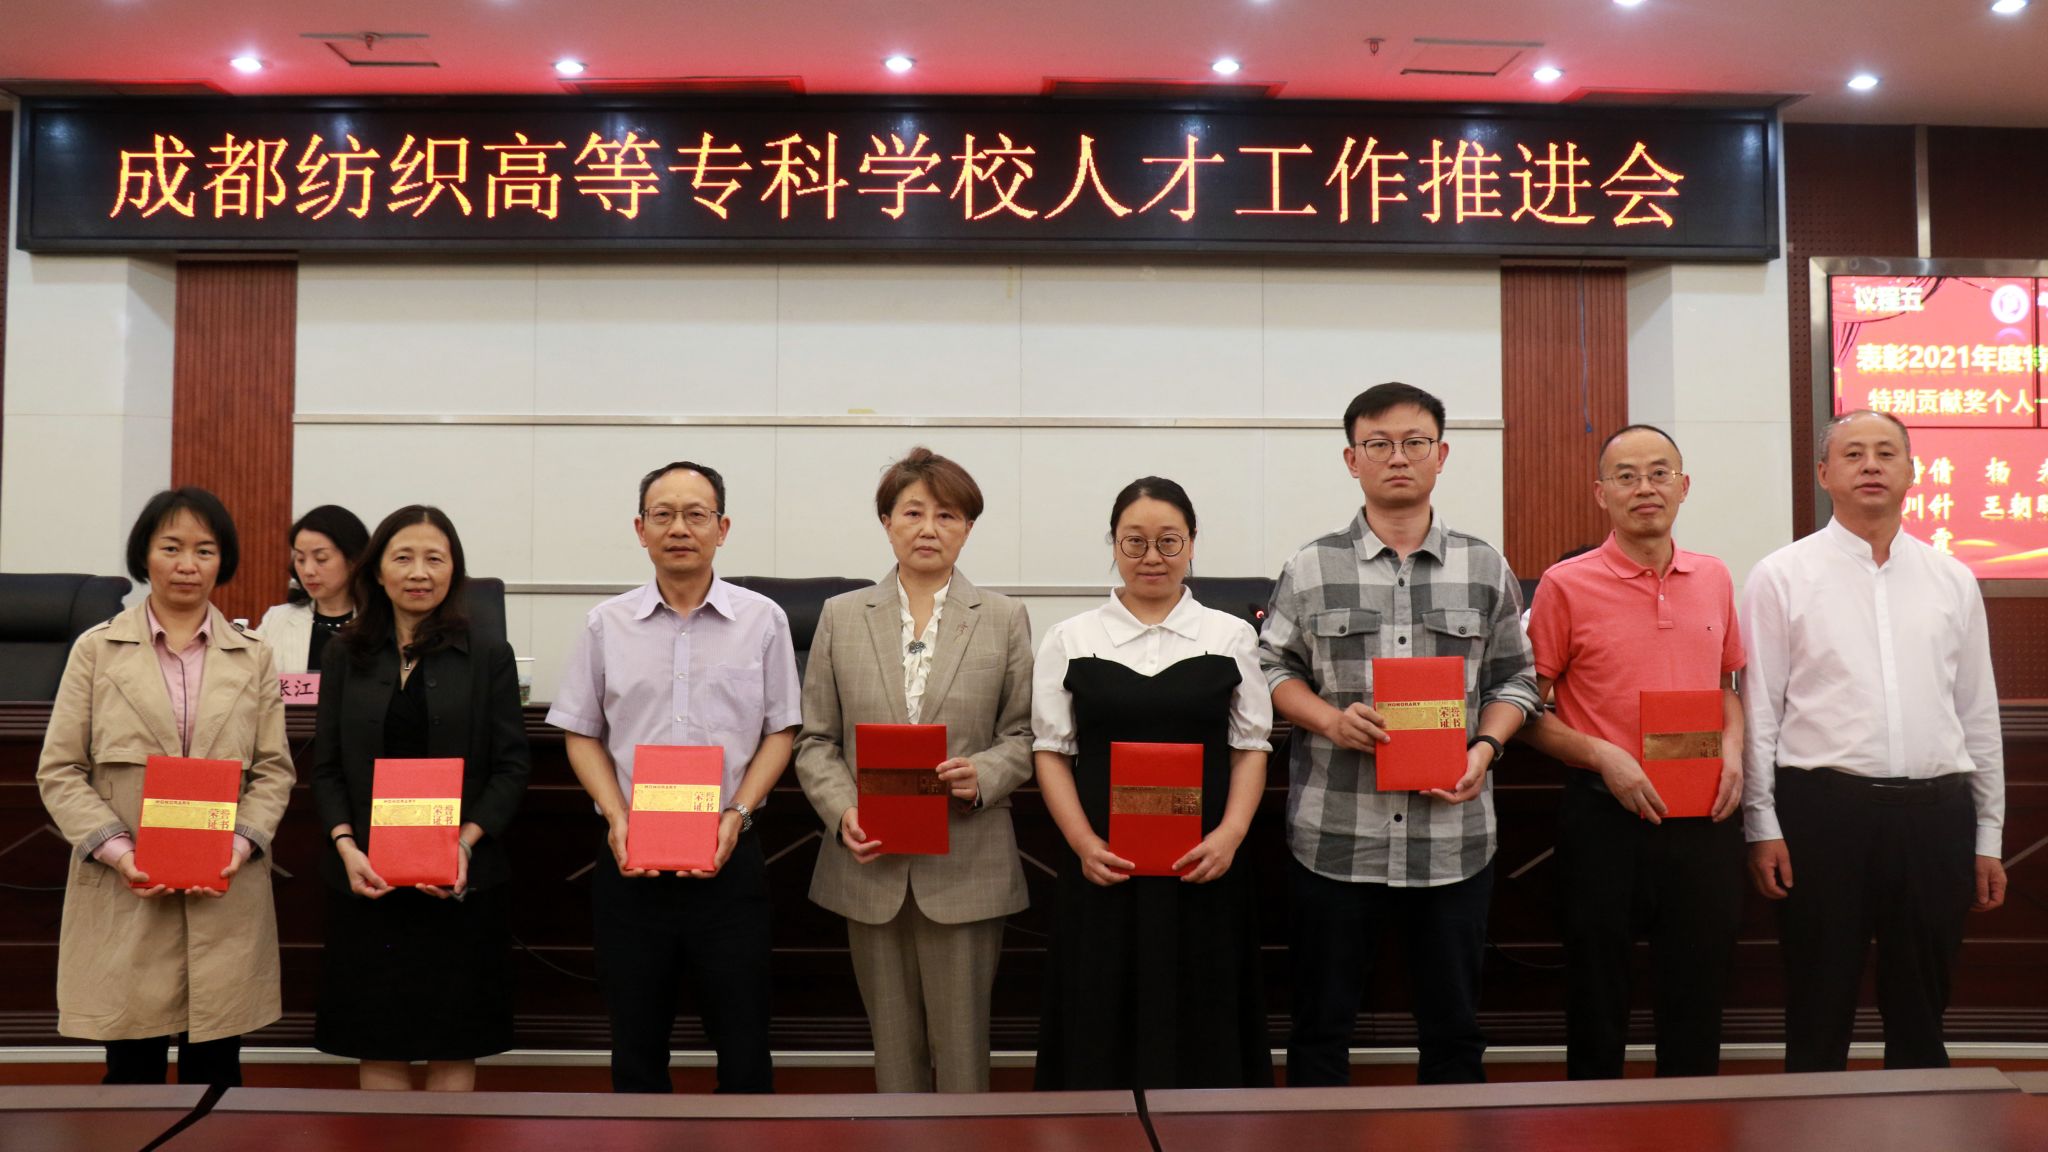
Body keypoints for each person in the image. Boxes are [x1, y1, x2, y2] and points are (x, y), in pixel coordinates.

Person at [1259, 382, 1538, 1087]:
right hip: (1336, 836)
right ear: (1351, 459)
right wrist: (1329, 719)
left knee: (1454, 1035)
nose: (1398, 457)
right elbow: (1269, 670)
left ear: (1441, 455)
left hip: (1451, 841)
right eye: (1378, 444)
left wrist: (1484, 749)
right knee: (1320, 1031)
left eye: (1415, 442)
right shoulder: (1311, 566)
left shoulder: (1484, 566)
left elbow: (1517, 680)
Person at [1742, 409, 2006, 1072]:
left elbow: (1977, 713)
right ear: (1824, 473)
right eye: (1853, 453)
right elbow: (1760, 710)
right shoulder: (1781, 575)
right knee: (1818, 1001)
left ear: (1912, 472)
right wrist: (1761, 824)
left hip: (1936, 817)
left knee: (1922, 1009)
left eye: (1886, 453)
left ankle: (1920, 1123)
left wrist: (1988, 835)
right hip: (1823, 815)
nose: (1871, 466)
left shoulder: (1952, 578)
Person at [547, 461, 801, 1094]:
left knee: (744, 1045)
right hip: (630, 860)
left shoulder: (763, 620)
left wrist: (737, 814)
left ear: (723, 528)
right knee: (636, 1046)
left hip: (729, 856)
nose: (679, 528)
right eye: (663, 515)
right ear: (640, 529)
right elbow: (580, 731)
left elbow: (781, 730)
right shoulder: (605, 624)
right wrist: (617, 815)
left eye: (696, 515)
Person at [795, 447, 1035, 1094]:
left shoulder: (1004, 617)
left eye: (947, 515)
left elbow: (1022, 735)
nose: (929, 528)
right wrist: (843, 810)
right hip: (869, 862)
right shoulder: (842, 616)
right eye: (913, 512)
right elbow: (816, 740)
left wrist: (983, 773)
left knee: (963, 1052)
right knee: (893, 1051)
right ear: (886, 522)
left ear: (968, 528)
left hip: (966, 862)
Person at [36, 487, 294, 1086]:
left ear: (222, 561)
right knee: (132, 1072)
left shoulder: (253, 656)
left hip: (224, 889)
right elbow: (59, 769)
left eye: (204, 551)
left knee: (216, 1075)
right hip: (128, 888)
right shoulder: (97, 650)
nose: (187, 565)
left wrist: (239, 844)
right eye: (171, 547)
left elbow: (274, 770)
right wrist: (118, 852)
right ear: (144, 555)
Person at [1516, 425, 1746, 1079]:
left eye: (1659, 472)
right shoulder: (1565, 584)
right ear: (1601, 493)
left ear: (1683, 485)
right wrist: (1603, 756)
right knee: (1597, 993)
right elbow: (1526, 711)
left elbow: (1726, 687)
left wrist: (1734, 748)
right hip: (1604, 816)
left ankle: (1693, 1118)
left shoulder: (1714, 575)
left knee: (1698, 992)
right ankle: (1592, 1120)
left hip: (1703, 812)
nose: (1645, 487)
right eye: (1626, 476)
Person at [1031, 477, 1272, 1090]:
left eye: (1169, 541)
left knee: (1204, 1003)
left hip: (1205, 861)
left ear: (1192, 544)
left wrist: (1231, 836)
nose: (1152, 557)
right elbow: (1051, 752)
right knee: (1100, 1002)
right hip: (1105, 861)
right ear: (1113, 544)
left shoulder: (1230, 635)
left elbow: (1250, 747)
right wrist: (1083, 844)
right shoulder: (1071, 638)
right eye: (1133, 542)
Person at [311, 505, 530, 1090]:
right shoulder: (343, 653)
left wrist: (464, 844)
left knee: (453, 1043)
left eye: (435, 558)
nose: (419, 572)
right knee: (377, 1041)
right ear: (376, 569)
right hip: (366, 881)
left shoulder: (489, 653)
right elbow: (325, 768)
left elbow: (512, 767)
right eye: (403, 557)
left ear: (454, 571)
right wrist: (346, 847)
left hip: (460, 882)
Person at [258, 504, 371, 675]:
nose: (308, 571)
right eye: (300, 559)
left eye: (321, 559)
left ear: (353, 560)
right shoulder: (276, 620)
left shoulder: (379, 622)